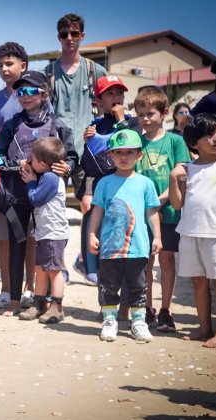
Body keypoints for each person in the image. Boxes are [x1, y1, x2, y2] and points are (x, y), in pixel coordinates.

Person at [0, 71, 77, 319]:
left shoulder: (58, 125)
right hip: (18, 196)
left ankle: (51, 303)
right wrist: (16, 166)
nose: (25, 96)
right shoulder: (11, 125)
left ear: (44, 93)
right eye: (20, 92)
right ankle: (15, 300)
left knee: (49, 248)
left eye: (31, 91)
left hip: (48, 199)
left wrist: (68, 168)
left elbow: (73, 157)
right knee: (17, 246)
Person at [169, 114, 216, 348]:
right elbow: (177, 204)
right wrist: (173, 179)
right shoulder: (187, 170)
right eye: (209, 134)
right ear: (194, 143)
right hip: (189, 233)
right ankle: (204, 328)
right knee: (199, 283)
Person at [89, 129, 161, 343]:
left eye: (129, 152)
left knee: (138, 286)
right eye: (118, 152)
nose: (123, 157)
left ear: (139, 155)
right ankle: (109, 320)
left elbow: (152, 211)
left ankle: (138, 321)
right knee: (108, 286)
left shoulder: (146, 183)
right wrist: (92, 234)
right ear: (111, 155)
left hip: (138, 246)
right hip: (110, 248)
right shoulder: (104, 183)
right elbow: (97, 211)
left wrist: (156, 236)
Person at [133, 87, 191, 330]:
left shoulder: (175, 141)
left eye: (151, 114)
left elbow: (181, 172)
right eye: (142, 114)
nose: (146, 119)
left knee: (167, 259)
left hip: (169, 211)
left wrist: (159, 199)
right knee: (145, 261)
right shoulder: (136, 142)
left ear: (165, 113)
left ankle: (166, 309)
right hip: (142, 212)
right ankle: (146, 307)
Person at [76, 76, 139, 287]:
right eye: (110, 94)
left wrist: (122, 121)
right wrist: (88, 144)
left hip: (128, 195)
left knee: (128, 255)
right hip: (103, 196)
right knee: (104, 256)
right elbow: (90, 168)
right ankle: (106, 306)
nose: (116, 97)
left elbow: (134, 151)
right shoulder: (94, 127)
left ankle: (128, 310)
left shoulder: (133, 123)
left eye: (119, 93)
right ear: (99, 100)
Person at [0, 41, 31, 311]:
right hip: (5, 176)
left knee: (31, 235)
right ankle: (6, 288)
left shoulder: (35, 92)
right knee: (4, 234)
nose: (4, 68)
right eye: (0, 64)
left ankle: (29, 289)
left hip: (32, 176)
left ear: (23, 66)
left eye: (10, 63)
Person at [45, 13, 107, 203]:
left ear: (82, 35)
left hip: (88, 150)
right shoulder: (49, 73)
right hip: (58, 152)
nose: (69, 38)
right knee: (51, 205)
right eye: (64, 34)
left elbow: (110, 105)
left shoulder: (95, 71)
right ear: (59, 37)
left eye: (74, 33)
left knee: (91, 206)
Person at [19, 137, 69, 324]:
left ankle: (57, 307)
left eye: (32, 158)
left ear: (42, 163)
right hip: (44, 232)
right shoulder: (46, 175)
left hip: (53, 233)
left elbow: (35, 199)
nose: (29, 160)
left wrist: (31, 182)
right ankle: (39, 304)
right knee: (40, 269)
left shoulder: (50, 178)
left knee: (54, 270)